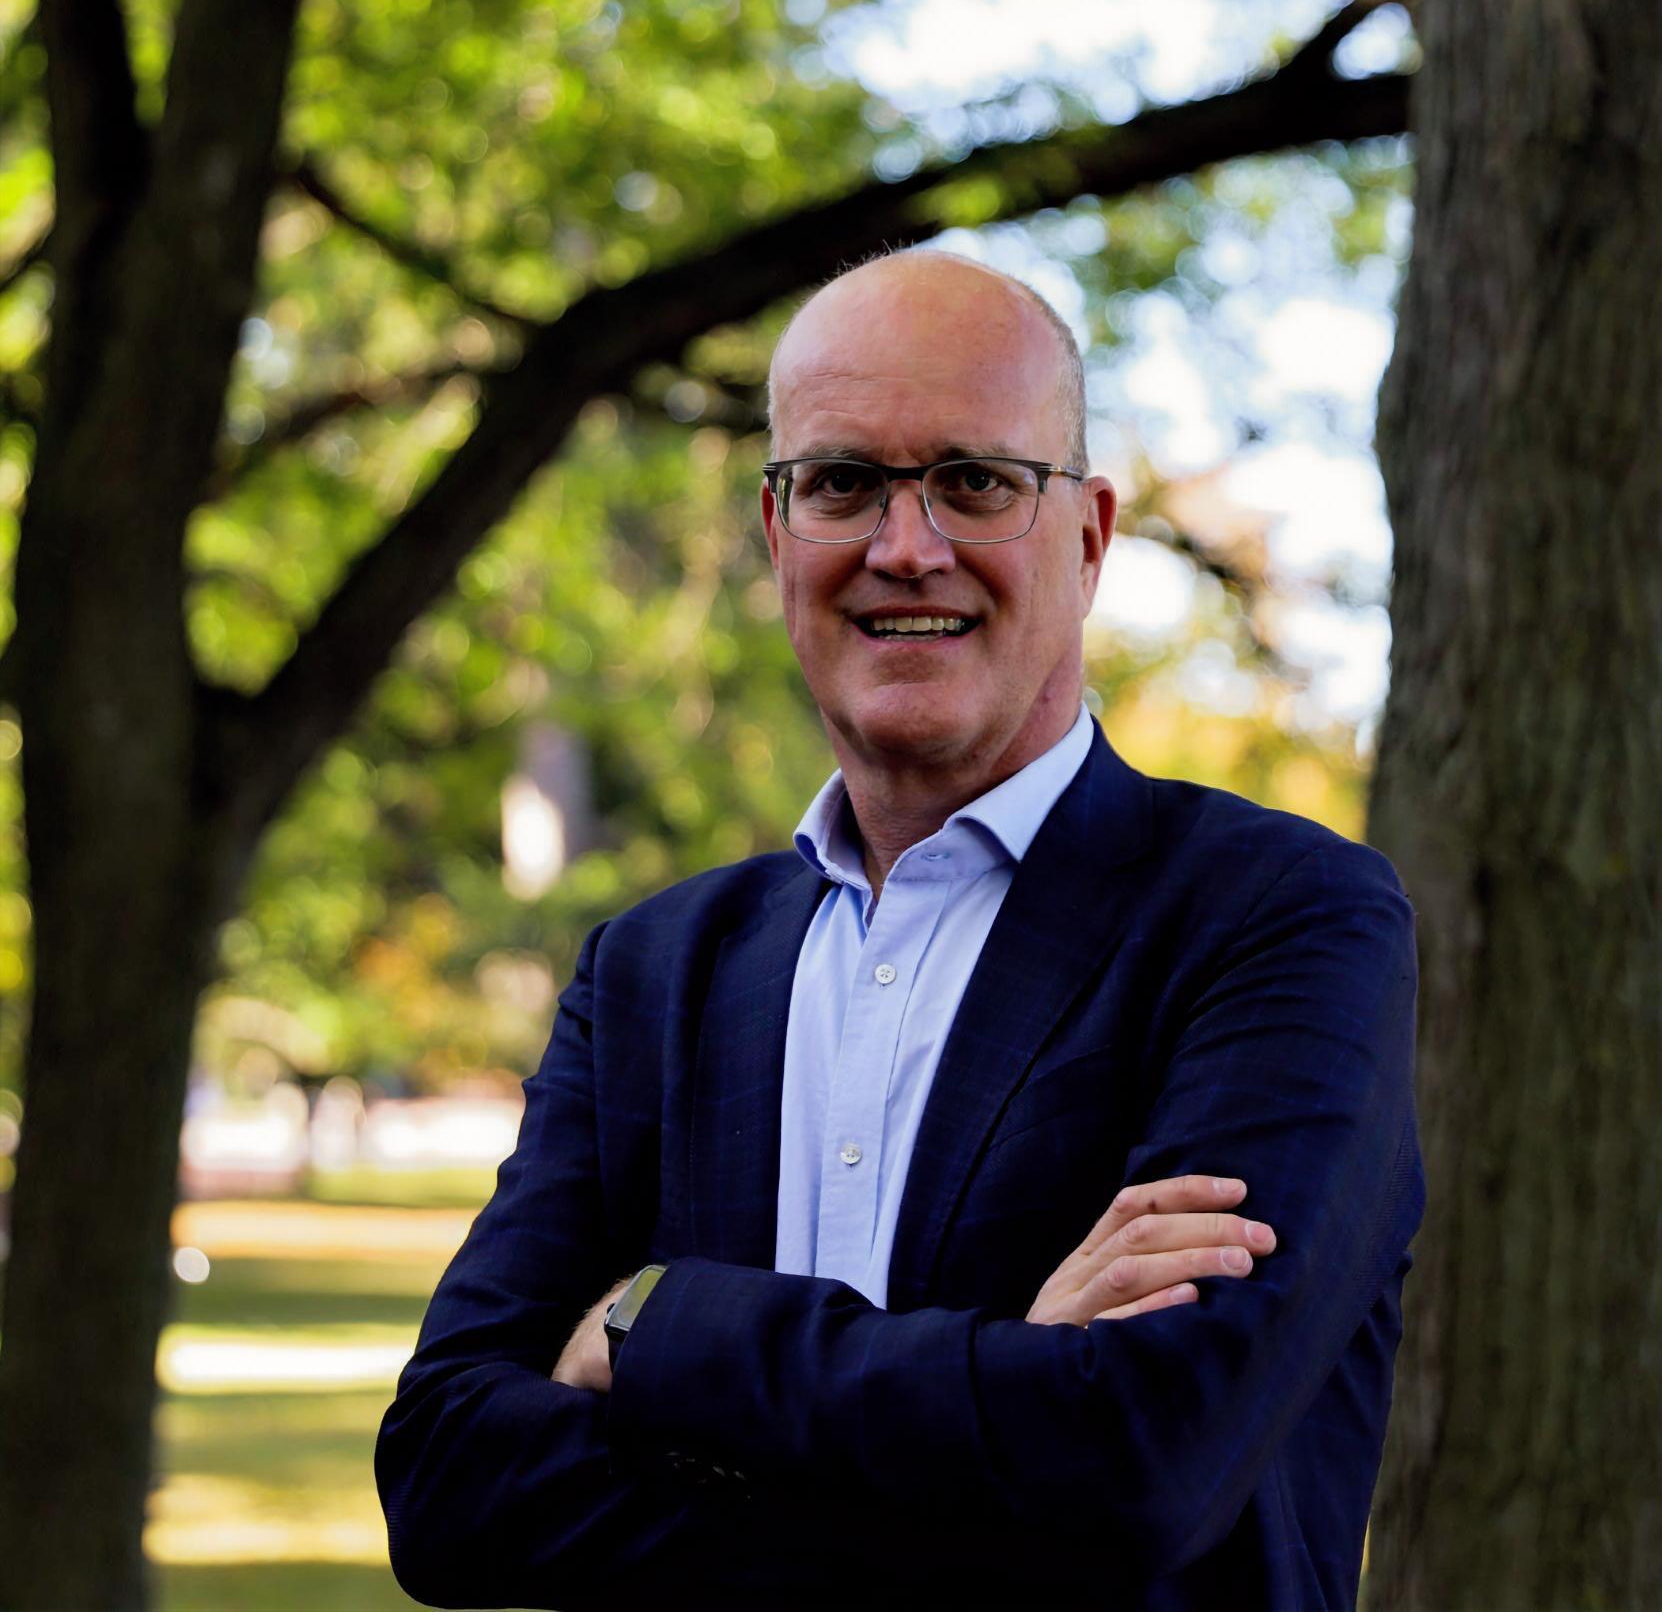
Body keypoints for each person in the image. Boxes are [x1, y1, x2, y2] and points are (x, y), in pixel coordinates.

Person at [376, 251, 1423, 1610]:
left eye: (975, 481)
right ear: (775, 532)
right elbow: (450, 1482)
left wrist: (662, 1323)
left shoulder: (1274, 918)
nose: (904, 546)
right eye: (842, 482)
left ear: (1090, 534)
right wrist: (1001, 1398)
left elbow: (1145, 1463)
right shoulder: (654, 971)